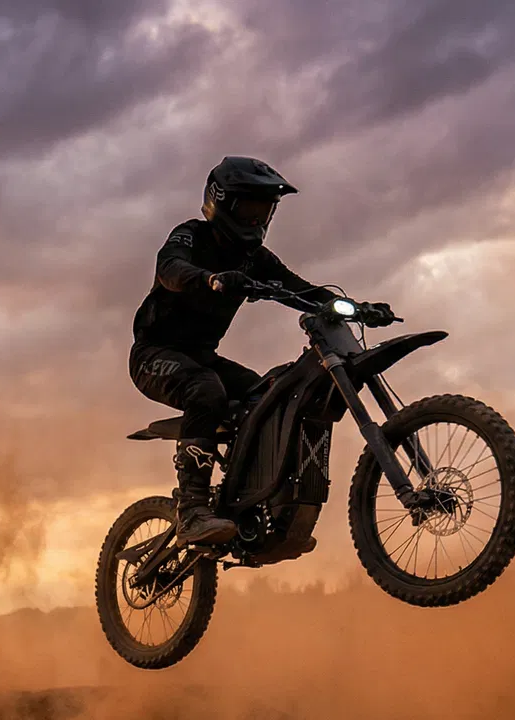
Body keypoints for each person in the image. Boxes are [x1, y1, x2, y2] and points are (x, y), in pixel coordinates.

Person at [130, 156, 393, 545]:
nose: (257, 218)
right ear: (222, 202)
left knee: (270, 395)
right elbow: (170, 268)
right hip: (155, 355)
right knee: (206, 390)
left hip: (202, 357)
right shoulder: (191, 236)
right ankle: (192, 511)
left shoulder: (255, 259)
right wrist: (211, 280)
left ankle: (252, 502)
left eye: (265, 209)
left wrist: (358, 308)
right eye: (250, 207)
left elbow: (301, 289)